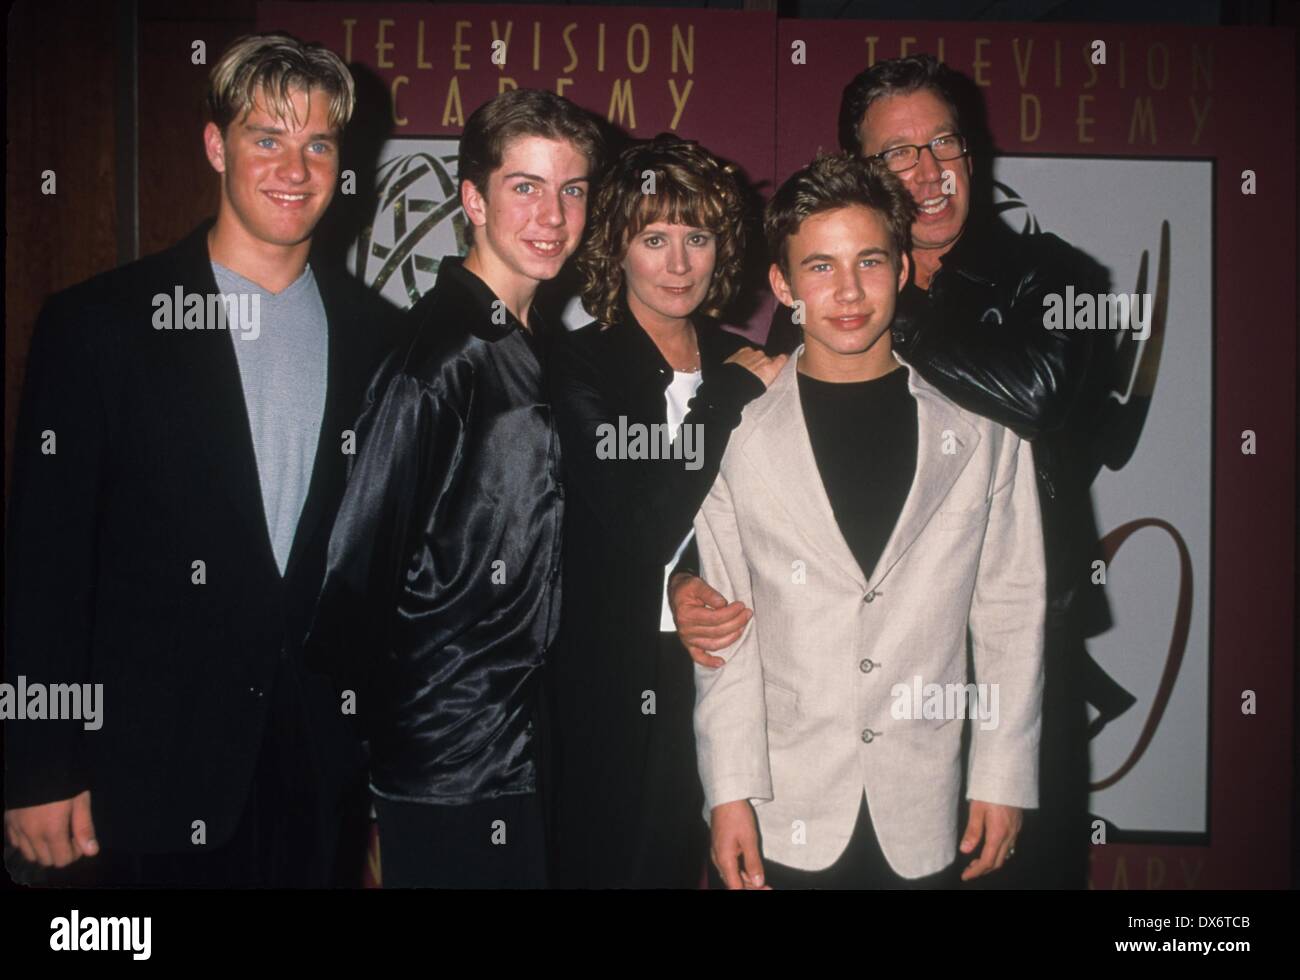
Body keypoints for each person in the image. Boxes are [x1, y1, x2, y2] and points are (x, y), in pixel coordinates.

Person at [674, 54, 1112, 889]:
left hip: (937, 785)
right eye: (821, 269)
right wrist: (727, 789)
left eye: (870, 262)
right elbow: (726, 622)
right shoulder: (746, 426)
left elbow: (1012, 604)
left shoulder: (997, 394)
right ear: (783, 284)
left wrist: (1001, 774)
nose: (847, 289)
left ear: (901, 268)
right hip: (790, 804)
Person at [4, 33, 405, 887]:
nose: (294, 168)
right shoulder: (99, 326)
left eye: (318, 144)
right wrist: (37, 767)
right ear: (217, 146)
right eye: (267, 138)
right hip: (138, 782)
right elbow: (45, 563)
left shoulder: (381, 340)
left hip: (313, 781)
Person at [303, 89, 602, 889]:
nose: (552, 214)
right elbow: (354, 576)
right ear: (473, 198)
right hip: (448, 762)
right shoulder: (440, 357)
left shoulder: (532, 346)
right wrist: (368, 771)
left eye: (572, 189)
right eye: (525, 186)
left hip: (525, 748)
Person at [546, 135, 785, 889]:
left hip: (731, 672)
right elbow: (641, 520)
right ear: (617, 245)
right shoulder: (577, 368)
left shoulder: (741, 360)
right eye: (655, 238)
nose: (679, 264)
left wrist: (691, 579)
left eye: (697, 237)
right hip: (609, 692)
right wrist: (721, 402)